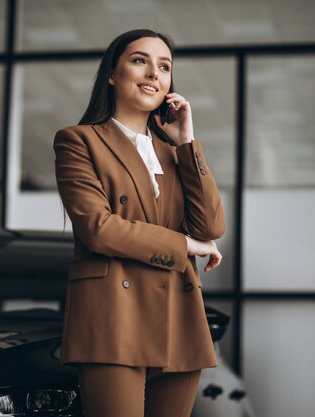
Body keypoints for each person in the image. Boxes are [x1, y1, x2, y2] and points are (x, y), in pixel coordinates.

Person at [53, 29, 226, 417]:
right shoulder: (79, 141)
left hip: (178, 318)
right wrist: (183, 247)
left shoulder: (172, 152)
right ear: (112, 74)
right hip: (114, 316)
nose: (153, 73)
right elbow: (98, 228)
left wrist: (187, 142)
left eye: (164, 67)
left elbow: (210, 227)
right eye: (139, 60)